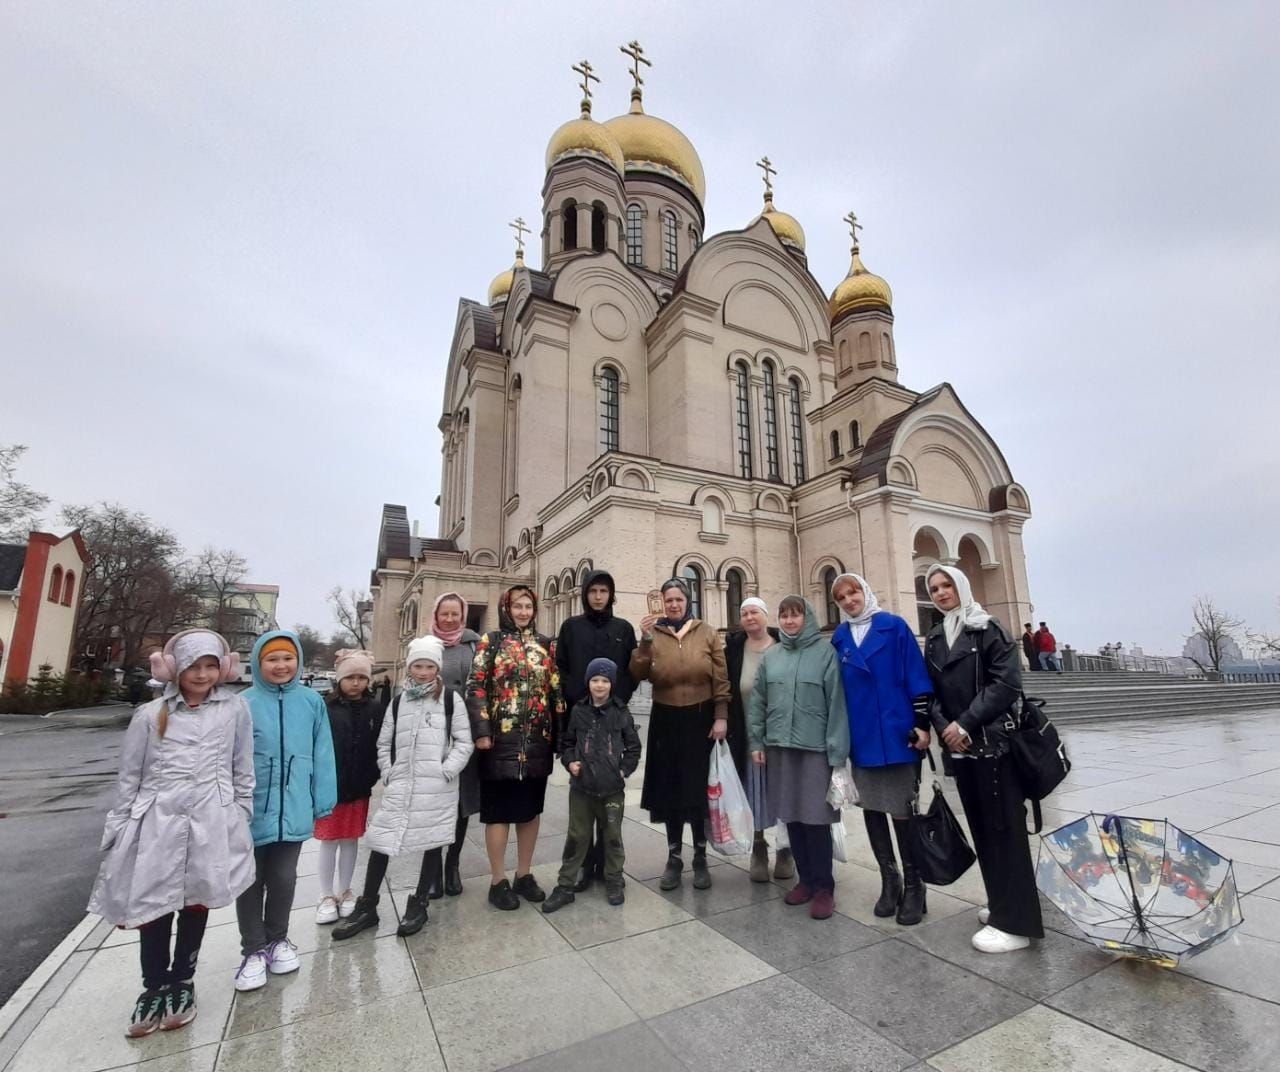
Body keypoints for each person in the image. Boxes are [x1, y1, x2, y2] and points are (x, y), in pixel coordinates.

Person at [89, 630, 255, 1037]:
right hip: (157, 823)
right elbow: (130, 775)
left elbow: (242, 767)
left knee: (196, 900)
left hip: (211, 820)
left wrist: (239, 812)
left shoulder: (234, 710)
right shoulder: (150, 715)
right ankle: (153, 986)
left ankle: (183, 980)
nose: (201, 674)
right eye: (193, 666)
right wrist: (121, 826)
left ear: (223, 668)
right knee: (154, 904)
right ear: (174, 669)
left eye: (210, 665)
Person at [924, 564, 1043, 953]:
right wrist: (947, 728)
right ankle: (1000, 905)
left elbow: (1006, 684)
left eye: (946, 586)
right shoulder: (938, 635)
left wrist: (965, 723)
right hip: (960, 747)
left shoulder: (987, 628)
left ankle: (1019, 923)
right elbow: (933, 690)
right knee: (981, 826)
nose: (941, 593)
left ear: (961, 587)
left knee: (1004, 830)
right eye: (934, 587)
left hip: (993, 744)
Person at [334, 636, 473, 939]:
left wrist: (446, 770)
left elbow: (464, 742)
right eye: (418, 666)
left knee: (432, 839)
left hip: (436, 785)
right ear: (410, 667)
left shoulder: (450, 699)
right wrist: (389, 771)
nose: (423, 672)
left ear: (437, 668)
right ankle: (368, 904)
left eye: (429, 666)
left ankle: (419, 901)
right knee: (381, 839)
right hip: (402, 782)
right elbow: (384, 742)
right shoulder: (398, 701)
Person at [234, 630, 337, 991]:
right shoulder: (242, 704)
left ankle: (278, 939)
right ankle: (253, 949)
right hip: (250, 809)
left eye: (287, 658)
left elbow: (323, 753)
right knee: (249, 880)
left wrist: (323, 799)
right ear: (259, 662)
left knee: (283, 877)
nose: (281, 666)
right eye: (272, 659)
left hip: (293, 805)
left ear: (298, 662)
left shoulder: (311, 702)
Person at [829, 573, 933, 925]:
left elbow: (915, 674)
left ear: (865, 591)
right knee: (872, 807)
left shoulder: (893, 626)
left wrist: (921, 722)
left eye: (852, 591)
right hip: (862, 736)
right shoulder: (841, 636)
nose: (848, 600)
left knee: (903, 809)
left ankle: (916, 886)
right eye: (841, 596)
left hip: (896, 731)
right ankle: (891, 881)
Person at [747, 596, 850, 920]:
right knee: (791, 816)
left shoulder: (825, 654)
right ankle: (805, 880)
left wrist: (837, 753)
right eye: (785, 616)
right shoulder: (772, 656)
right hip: (780, 747)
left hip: (814, 749)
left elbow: (836, 704)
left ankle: (824, 888)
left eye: (796, 615)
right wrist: (757, 741)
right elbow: (758, 701)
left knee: (816, 819)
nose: (790, 621)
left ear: (807, 618)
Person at [466, 585, 564, 910]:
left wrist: (560, 738)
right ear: (506, 608)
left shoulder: (545, 645)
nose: (523, 612)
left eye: (528, 606)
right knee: (498, 813)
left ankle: (524, 874)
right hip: (498, 743)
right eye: (517, 606)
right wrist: (481, 731)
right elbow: (476, 685)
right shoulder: (491, 642)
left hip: (537, 742)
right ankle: (498, 880)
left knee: (529, 811)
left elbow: (556, 693)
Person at [631, 577, 731, 891]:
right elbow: (638, 673)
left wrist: (721, 716)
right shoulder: (654, 633)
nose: (674, 604)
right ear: (661, 603)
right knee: (671, 789)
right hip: (666, 717)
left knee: (699, 788)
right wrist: (645, 642)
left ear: (687, 601)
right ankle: (674, 857)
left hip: (700, 719)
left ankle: (700, 855)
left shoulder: (707, 632)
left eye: (679, 599)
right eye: (668, 600)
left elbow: (721, 678)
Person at [555, 569, 637, 891]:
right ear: (585, 594)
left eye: (604, 591)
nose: (599, 596)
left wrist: (619, 699)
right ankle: (583, 863)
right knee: (583, 793)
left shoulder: (623, 629)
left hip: (613, 719)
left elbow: (631, 668)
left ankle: (606, 864)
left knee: (609, 792)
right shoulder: (572, 627)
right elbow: (561, 665)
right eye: (593, 591)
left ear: (611, 595)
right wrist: (576, 695)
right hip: (582, 716)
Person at [542, 658, 642, 913]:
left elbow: (633, 746)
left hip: (611, 788)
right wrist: (570, 762)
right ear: (588, 683)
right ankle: (565, 884)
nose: (599, 685)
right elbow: (567, 742)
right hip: (582, 788)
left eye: (605, 681)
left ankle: (613, 879)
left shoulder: (621, 712)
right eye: (595, 680)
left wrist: (623, 770)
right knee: (577, 836)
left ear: (612, 684)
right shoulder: (579, 711)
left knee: (612, 836)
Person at [724, 596, 793, 883]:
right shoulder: (735, 650)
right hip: (748, 733)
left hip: (785, 734)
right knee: (755, 792)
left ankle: (787, 848)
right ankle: (759, 847)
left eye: (755, 612)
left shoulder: (785, 646)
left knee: (785, 791)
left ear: (766, 616)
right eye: (744, 613)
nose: (750, 617)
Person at [314, 649, 384, 924]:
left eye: (362, 677)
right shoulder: (326, 708)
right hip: (332, 787)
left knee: (351, 839)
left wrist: (372, 774)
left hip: (359, 786)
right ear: (339, 679)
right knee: (329, 841)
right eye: (351, 677)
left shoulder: (375, 708)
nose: (356, 683)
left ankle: (345, 890)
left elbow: (380, 742)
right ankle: (325, 894)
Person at [429, 592, 482, 898]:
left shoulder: (474, 644)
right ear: (435, 615)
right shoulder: (426, 645)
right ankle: (433, 867)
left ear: (463, 615)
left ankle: (453, 864)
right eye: (444, 614)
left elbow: (481, 686)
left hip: (466, 734)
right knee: (436, 800)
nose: (449, 619)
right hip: (434, 733)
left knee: (462, 802)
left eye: (455, 614)